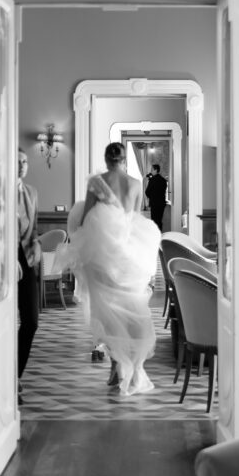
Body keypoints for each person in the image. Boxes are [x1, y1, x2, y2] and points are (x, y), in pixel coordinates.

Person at [61, 141, 161, 396]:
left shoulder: (96, 182)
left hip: (103, 257)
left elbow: (84, 220)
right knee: (128, 311)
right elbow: (135, 220)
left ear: (106, 160)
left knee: (106, 311)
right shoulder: (136, 184)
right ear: (124, 160)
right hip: (128, 256)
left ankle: (115, 365)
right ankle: (130, 366)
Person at [17, 147, 41, 401]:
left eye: (24, 161)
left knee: (31, 322)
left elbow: (34, 229)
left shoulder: (32, 192)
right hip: (5, 263)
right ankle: (8, 380)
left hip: (28, 261)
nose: (22, 165)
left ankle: (15, 375)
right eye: (17, 161)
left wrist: (36, 245)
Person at [144, 163, 168, 232]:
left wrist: (152, 197)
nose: (151, 171)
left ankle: (155, 235)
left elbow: (147, 192)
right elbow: (164, 191)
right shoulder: (163, 180)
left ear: (156, 170)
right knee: (159, 220)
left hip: (154, 203)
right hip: (161, 204)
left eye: (152, 169)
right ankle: (160, 234)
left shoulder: (152, 180)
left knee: (154, 220)